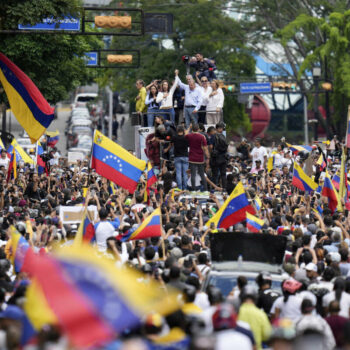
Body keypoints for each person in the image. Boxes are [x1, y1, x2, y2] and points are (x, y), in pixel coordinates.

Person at [185, 124, 209, 191]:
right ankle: (206, 190)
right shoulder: (202, 137)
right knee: (202, 174)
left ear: (192, 129)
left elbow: (185, 134)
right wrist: (208, 156)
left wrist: (189, 127)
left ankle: (193, 190)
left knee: (193, 175)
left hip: (192, 157)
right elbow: (205, 148)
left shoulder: (189, 136)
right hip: (200, 158)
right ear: (198, 129)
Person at [210, 123, 228, 189]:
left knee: (215, 174)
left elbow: (211, 146)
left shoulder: (213, 136)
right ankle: (224, 188)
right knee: (223, 174)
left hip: (215, 158)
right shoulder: (224, 136)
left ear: (216, 128)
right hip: (223, 158)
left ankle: (214, 189)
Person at [172, 125, 189, 190]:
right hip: (185, 156)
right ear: (183, 130)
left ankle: (179, 188)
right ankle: (185, 188)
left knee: (178, 173)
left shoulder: (174, 137)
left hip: (177, 156)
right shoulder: (186, 137)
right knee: (185, 173)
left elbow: (171, 144)